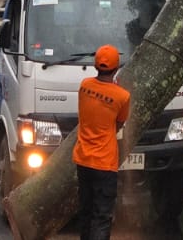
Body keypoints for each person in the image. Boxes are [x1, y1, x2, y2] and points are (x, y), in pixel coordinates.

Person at [73, 45, 130, 240]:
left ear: (95, 65)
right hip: (105, 163)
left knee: (86, 211)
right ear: (117, 67)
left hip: (83, 159)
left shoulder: (84, 86)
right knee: (102, 216)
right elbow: (119, 124)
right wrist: (115, 87)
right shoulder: (122, 96)